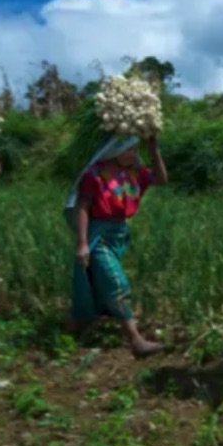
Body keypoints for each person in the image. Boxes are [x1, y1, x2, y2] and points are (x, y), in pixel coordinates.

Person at [65, 135, 167, 356]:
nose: (133, 154)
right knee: (115, 281)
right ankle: (135, 340)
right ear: (115, 149)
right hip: (98, 235)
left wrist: (154, 149)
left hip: (119, 235)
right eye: (129, 150)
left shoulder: (135, 172)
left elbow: (161, 179)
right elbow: (83, 206)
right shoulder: (96, 174)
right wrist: (83, 243)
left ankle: (75, 326)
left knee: (98, 279)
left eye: (136, 150)